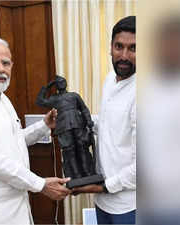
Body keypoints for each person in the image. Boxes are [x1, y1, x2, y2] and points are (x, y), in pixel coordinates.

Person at [0, 37, 71, 225]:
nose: (0, 68)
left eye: (5, 63)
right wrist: (40, 184)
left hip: (20, 204)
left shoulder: (3, 99)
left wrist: (44, 125)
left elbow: (15, 140)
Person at [72, 16, 136, 224]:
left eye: (133, 48)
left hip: (130, 205)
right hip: (103, 201)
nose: (124, 56)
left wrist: (104, 186)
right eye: (119, 46)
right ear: (110, 47)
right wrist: (79, 120)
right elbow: (110, 124)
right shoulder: (110, 79)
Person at [36, 75, 98, 182]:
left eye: (63, 82)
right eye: (59, 82)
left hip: (78, 125)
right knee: (69, 152)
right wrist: (47, 86)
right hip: (64, 128)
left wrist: (89, 121)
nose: (61, 84)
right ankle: (76, 177)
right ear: (57, 85)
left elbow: (84, 109)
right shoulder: (54, 99)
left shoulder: (74, 96)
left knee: (82, 148)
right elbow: (40, 101)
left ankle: (88, 174)